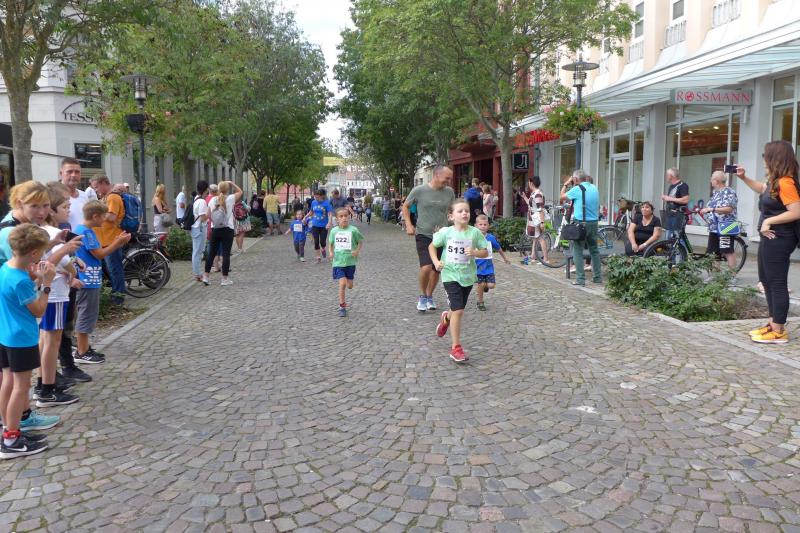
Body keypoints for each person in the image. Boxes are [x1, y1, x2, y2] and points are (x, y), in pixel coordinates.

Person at [0, 224, 56, 459]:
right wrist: (47, 284)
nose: (43, 255)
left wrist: (37, 280)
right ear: (34, 253)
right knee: (20, 388)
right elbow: (39, 309)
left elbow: (19, 299)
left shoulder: (5, 268)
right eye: (42, 251)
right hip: (22, 338)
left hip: (6, 335)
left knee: (7, 383)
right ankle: (11, 440)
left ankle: (8, 429)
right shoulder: (20, 280)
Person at [736, 140, 800, 344]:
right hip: (769, 237)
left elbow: (796, 211)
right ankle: (773, 324)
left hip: (780, 238)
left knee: (776, 282)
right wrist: (744, 177)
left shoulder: (786, 183)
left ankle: (779, 330)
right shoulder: (775, 181)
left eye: (766, 156)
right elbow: (761, 188)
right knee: (766, 281)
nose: (764, 159)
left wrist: (769, 221)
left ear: (775, 158)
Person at [36, 185, 81, 407]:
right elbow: (60, 259)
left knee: (46, 339)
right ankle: (47, 389)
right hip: (55, 294)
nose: (68, 210)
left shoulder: (45, 231)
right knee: (52, 341)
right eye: (65, 206)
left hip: (51, 292)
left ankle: (43, 383)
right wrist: (73, 272)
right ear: (52, 211)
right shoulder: (53, 232)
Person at [429, 199, 488, 363]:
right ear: (451, 216)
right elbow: (432, 246)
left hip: (467, 277)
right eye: (460, 211)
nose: (464, 213)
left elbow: (485, 252)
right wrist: (436, 262)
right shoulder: (446, 232)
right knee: (459, 310)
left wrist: (475, 252)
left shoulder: (475, 233)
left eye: (467, 211)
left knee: (456, 309)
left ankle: (446, 319)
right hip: (450, 275)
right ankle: (456, 348)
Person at [73, 201, 131, 363]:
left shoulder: (80, 229)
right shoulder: (87, 232)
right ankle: (82, 352)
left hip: (86, 278)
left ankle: (84, 347)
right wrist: (117, 243)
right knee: (86, 315)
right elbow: (99, 254)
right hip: (88, 280)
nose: (105, 219)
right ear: (95, 216)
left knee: (86, 313)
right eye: (103, 216)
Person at [403, 165, 456, 312]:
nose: (449, 181)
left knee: (436, 268)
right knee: (426, 267)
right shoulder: (419, 190)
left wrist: (455, 225)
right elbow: (405, 206)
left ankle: (429, 295)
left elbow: (452, 210)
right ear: (436, 175)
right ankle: (422, 296)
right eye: (447, 178)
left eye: (450, 178)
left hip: (442, 236)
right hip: (423, 234)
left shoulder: (449, 192)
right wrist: (408, 224)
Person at [560, 169, 602, 287]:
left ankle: (580, 279)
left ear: (575, 179)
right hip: (594, 223)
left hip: (581, 224)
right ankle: (597, 277)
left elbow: (562, 196)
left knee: (577, 250)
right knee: (594, 250)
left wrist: (566, 184)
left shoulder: (577, 189)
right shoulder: (594, 188)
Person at [90, 175, 126, 306]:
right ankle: (114, 293)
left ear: (104, 183)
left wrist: (94, 215)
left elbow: (111, 217)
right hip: (105, 240)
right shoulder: (105, 198)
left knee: (115, 269)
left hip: (112, 239)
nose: (95, 190)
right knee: (110, 269)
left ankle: (118, 296)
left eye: (96, 187)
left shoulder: (113, 197)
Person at [202, 181, 242, 286]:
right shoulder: (230, 198)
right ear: (227, 189)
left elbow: (207, 216)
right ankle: (224, 279)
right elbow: (240, 192)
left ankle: (206, 276)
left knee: (211, 253)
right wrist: (232, 183)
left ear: (218, 189)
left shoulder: (212, 200)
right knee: (226, 254)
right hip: (227, 229)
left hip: (215, 229)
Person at [328, 208, 365, 317]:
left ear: (348, 217)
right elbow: (330, 243)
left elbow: (360, 242)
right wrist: (331, 252)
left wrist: (357, 251)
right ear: (337, 219)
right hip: (338, 262)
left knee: (350, 285)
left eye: (346, 216)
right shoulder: (334, 231)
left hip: (350, 262)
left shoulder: (353, 230)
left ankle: (349, 282)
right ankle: (342, 306)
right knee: (342, 283)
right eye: (341, 216)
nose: (344, 218)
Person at [699, 171, 738, 271]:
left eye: (712, 178)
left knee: (727, 251)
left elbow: (729, 209)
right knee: (714, 252)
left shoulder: (729, 192)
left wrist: (711, 209)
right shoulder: (716, 192)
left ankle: (732, 275)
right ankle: (715, 275)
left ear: (716, 181)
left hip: (725, 226)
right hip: (714, 227)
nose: (710, 180)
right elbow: (711, 207)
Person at [474, 214, 510, 311]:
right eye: (480, 224)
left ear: (488, 226)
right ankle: (480, 302)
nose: (483, 226)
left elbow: (498, 248)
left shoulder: (491, 238)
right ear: (476, 226)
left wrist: (505, 258)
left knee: (491, 285)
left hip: (488, 267)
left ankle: (484, 286)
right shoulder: (473, 238)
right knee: (481, 284)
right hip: (477, 267)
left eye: (485, 224)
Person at [523, 176, 550, 265]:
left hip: (536, 219)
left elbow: (540, 209)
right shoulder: (535, 193)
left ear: (531, 183)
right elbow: (532, 205)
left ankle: (545, 259)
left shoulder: (537, 194)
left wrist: (542, 222)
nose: (528, 184)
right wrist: (525, 197)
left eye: (529, 182)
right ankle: (533, 256)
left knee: (540, 238)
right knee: (535, 238)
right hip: (534, 218)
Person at [661, 168, 689, 240]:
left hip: (677, 215)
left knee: (678, 237)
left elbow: (686, 200)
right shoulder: (671, 186)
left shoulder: (682, 185)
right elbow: (673, 200)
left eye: (667, 175)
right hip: (670, 214)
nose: (666, 176)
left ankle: (682, 248)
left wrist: (669, 198)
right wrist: (667, 198)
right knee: (668, 238)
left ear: (671, 176)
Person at [190, 181, 209, 282]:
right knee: (197, 252)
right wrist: (209, 212)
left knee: (197, 251)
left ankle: (197, 273)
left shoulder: (196, 199)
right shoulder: (202, 201)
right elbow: (202, 218)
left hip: (196, 228)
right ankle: (197, 274)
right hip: (199, 229)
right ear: (205, 189)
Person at [309, 189, 334, 263]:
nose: (316, 198)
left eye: (317, 197)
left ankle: (323, 248)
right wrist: (305, 217)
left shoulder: (326, 203)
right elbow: (311, 212)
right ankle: (318, 257)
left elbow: (330, 214)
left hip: (324, 226)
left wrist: (329, 222)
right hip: (315, 224)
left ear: (322, 196)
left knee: (322, 241)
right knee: (316, 241)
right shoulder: (313, 202)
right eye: (315, 197)